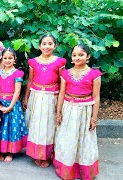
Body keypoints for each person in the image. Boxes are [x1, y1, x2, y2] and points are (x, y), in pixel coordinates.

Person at [54, 44, 101, 179]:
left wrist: (94, 118)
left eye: (81, 55)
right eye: (74, 55)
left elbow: (96, 97)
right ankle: (67, 169)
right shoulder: (66, 73)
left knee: (84, 139)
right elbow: (62, 94)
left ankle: (84, 170)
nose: (77, 57)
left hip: (85, 110)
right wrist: (58, 113)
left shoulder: (94, 74)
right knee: (67, 138)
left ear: (88, 57)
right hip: (68, 108)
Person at [23, 34, 67, 168]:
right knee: (36, 125)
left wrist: (61, 101)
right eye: (44, 44)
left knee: (49, 126)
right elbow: (30, 80)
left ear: (55, 46)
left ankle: (47, 155)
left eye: (50, 44)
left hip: (51, 97)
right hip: (36, 96)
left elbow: (62, 82)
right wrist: (26, 97)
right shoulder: (33, 62)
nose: (47, 46)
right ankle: (37, 154)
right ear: (39, 45)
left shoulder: (60, 62)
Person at [0, 48, 28, 162]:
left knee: (11, 128)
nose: (7, 60)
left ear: (14, 59)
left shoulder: (18, 73)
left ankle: (10, 152)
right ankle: (1, 150)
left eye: (10, 58)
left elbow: (17, 92)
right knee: (1, 127)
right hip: (0, 103)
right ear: (2, 60)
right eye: (5, 58)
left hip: (12, 105)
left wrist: (10, 107)